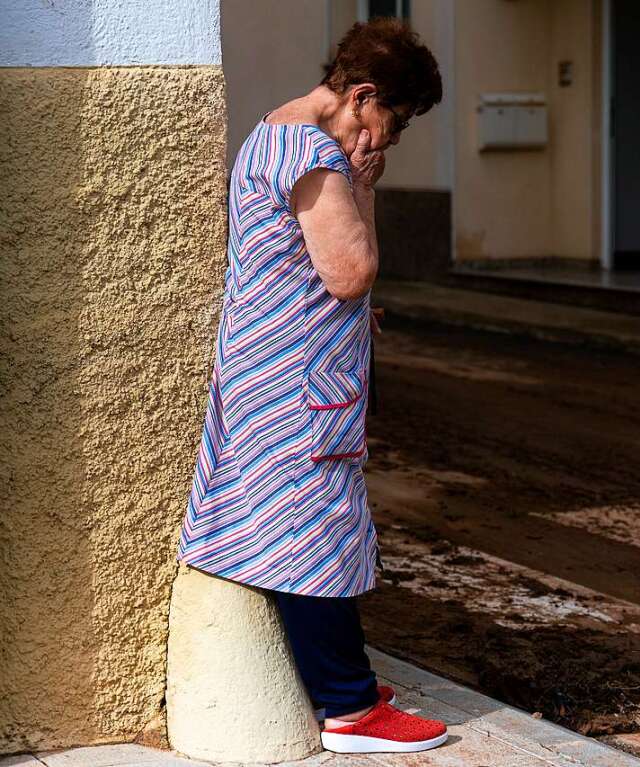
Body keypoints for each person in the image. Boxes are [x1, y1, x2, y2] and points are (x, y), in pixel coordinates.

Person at [175, 17, 447, 754]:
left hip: (270, 366)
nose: (392, 138)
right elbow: (350, 272)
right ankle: (349, 707)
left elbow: (304, 267)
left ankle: (343, 680)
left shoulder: (273, 130)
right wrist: (363, 185)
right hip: (296, 381)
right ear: (362, 96)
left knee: (298, 521)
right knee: (311, 534)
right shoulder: (317, 156)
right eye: (395, 118)